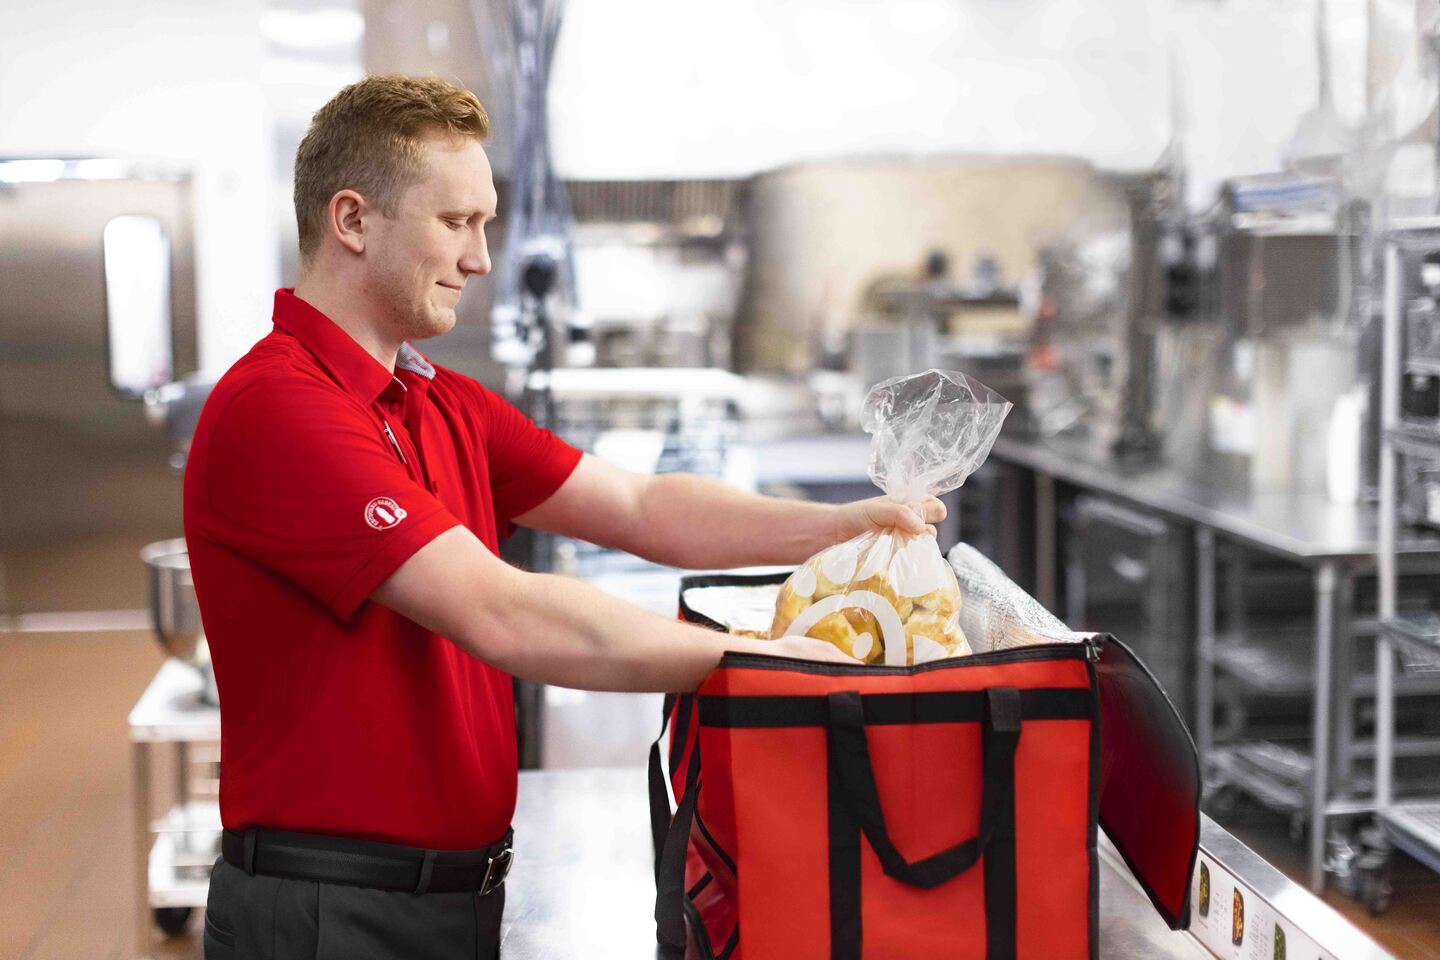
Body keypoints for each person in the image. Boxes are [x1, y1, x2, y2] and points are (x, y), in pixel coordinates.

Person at [184, 74, 945, 960]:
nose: (479, 259)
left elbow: (640, 506)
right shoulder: (280, 408)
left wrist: (849, 525)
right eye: (455, 223)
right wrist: (769, 660)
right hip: (332, 911)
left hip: (441, 897)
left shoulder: (439, 403)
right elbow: (499, 611)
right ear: (352, 221)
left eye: (485, 223)